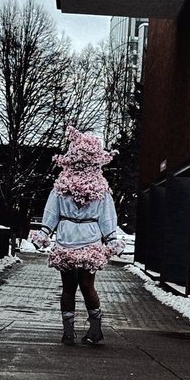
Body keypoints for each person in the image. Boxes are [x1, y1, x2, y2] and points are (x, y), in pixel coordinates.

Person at [29, 127, 125, 346]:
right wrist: (111, 239)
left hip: (66, 239)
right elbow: (107, 217)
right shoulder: (101, 187)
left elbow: (51, 213)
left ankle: (68, 331)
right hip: (90, 239)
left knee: (68, 287)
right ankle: (95, 329)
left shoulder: (61, 185)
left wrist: (44, 233)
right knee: (87, 285)